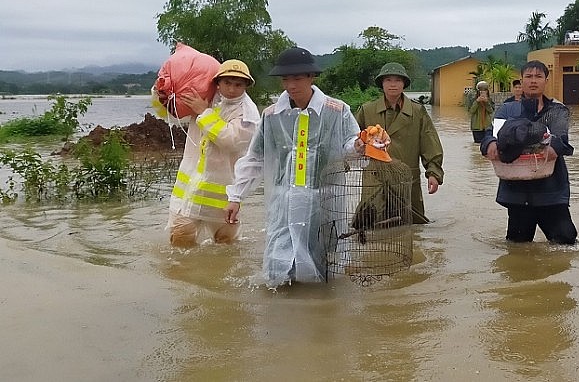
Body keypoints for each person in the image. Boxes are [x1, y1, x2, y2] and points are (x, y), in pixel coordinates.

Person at [224, 47, 363, 286]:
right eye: (286, 79)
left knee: (324, 263)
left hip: (324, 200)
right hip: (284, 201)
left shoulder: (336, 110)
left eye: (297, 78)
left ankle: (317, 316)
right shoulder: (272, 115)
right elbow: (255, 157)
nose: (291, 85)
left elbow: (350, 144)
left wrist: (362, 145)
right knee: (278, 267)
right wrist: (236, 196)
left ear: (311, 77)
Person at [480, 60, 577, 244]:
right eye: (529, 76)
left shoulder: (557, 110)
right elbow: (488, 134)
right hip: (517, 193)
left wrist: (553, 147)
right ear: (521, 81)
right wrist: (490, 143)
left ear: (546, 81)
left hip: (551, 191)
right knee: (518, 247)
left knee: (566, 242)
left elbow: (562, 139)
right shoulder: (508, 109)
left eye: (539, 76)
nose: (533, 81)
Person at [166, 59, 260, 247]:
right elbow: (174, 108)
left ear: (246, 86)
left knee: (226, 245)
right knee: (180, 239)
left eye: (238, 84)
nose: (232, 89)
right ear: (218, 82)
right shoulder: (206, 96)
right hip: (190, 189)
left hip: (223, 194)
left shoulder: (248, 114)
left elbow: (231, 140)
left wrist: (204, 113)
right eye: (227, 83)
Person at [355, 62, 444, 224]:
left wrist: (433, 173)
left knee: (411, 228)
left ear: (404, 84)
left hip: (406, 179)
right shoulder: (366, 110)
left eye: (398, 80)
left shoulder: (417, 112)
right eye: (388, 80)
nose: (393, 84)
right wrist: (358, 145)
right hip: (375, 179)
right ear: (382, 84)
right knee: (371, 225)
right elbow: (351, 140)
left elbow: (430, 142)